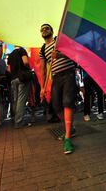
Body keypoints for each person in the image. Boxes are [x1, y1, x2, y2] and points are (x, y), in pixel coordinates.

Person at [39, 24, 76, 154]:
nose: (44, 30)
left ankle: (67, 138)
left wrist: (60, 55)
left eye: (46, 28)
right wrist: (42, 87)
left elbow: (73, 55)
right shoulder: (42, 49)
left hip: (68, 74)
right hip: (56, 77)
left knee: (67, 102)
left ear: (52, 31)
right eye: (42, 29)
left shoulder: (59, 40)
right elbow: (43, 70)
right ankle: (70, 128)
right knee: (56, 106)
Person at [7, 45, 31, 129]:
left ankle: (15, 119)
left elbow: (9, 70)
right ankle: (19, 121)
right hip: (22, 78)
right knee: (21, 100)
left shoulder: (10, 55)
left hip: (13, 79)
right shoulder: (22, 50)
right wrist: (28, 69)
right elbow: (25, 62)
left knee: (16, 100)